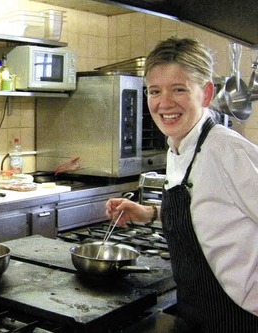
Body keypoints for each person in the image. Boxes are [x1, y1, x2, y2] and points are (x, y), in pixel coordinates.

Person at [105, 37, 258, 331]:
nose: (164, 103)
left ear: (207, 94)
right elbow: (211, 210)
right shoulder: (178, 145)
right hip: (196, 312)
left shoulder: (229, 152)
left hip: (240, 317)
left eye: (179, 89)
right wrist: (149, 213)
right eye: (155, 91)